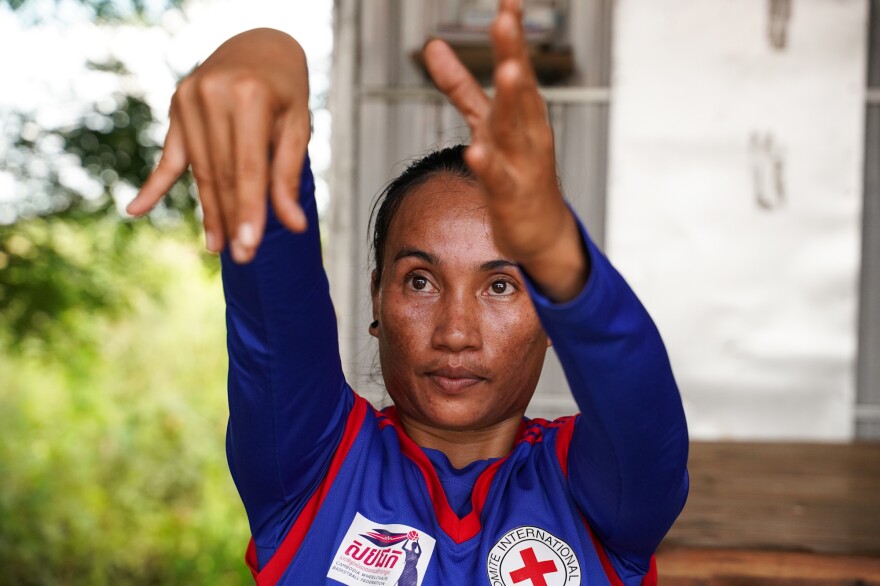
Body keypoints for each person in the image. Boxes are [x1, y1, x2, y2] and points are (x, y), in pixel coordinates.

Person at [127, 1, 689, 584]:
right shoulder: (313, 470)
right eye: (420, 281)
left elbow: (642, 405)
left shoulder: (601, 494)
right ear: (377, 299)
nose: (454, 333)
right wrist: (266, 51)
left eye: (501, 285)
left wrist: (562, 259)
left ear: (550, 318)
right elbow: (274, 309)